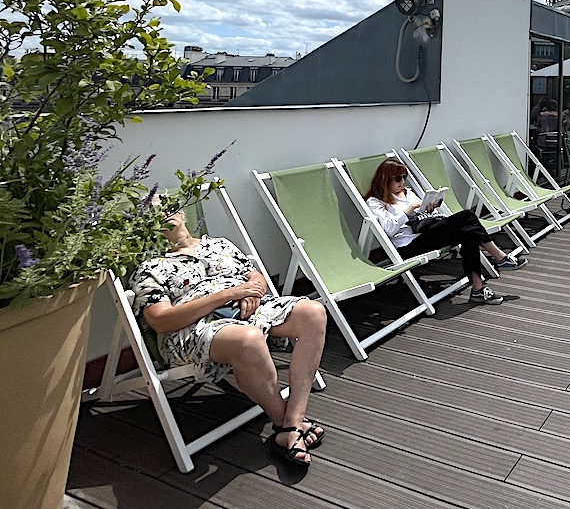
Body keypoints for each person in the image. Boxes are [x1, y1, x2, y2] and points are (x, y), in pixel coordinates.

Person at [133, 204, 329, 467]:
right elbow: (160, 320)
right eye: (154, 213)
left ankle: (292, 422)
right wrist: (227, 295)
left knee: (313, 312)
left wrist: (252, 291)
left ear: (182, 213)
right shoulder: (150, 267)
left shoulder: (220, 245)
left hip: (250, 311)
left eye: (169, 207)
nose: (165, 214)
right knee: (248, 339)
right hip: (192, 328)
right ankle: (284, 424)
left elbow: (254, 275)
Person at [363, 158, 525, 305]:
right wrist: (410, 208)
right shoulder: (376, 202)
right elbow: (389, 229)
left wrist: (430, 207)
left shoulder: (408, 193)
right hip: (409, 245)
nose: (402, 181)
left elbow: (421, 219)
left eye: (404, 177)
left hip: (427, 233)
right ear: (385, 179)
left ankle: (478, 289)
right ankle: (500, 257)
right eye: (398, 178)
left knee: (469, 233)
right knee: (468, 216)